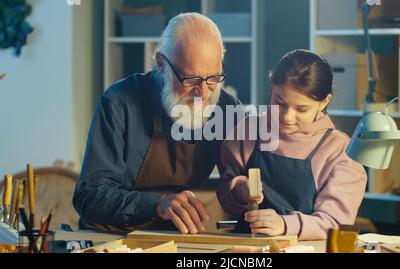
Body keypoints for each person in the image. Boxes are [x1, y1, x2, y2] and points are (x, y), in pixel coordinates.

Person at [73, 13, 241, 234]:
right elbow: (89, 196)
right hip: (111, 237)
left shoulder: (226, 110)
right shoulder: (119, 102)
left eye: (213, 78)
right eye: (191, 80)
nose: (202, 93)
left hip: (172, 237)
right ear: (161, 63)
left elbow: (237, 189)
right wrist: (157, 204)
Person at [217, 49, 367, 240]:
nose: (287, 117)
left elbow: (335, 223)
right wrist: (239, 190)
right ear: (272, 86)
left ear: (324, 102)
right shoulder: (249, 129)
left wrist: (285, 224)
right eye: (279, 102)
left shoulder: (339, 151)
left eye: (301, 109)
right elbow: (225, 198)